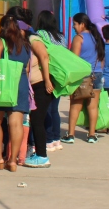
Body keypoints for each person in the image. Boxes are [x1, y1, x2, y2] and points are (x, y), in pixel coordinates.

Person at [0, 13, 32, 171]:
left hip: (2, 83)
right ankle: (13, 160)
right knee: (16, 123)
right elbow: (26, 67)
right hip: (20, 83)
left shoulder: (2, 42)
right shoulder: (26, 44)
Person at [62, 13, 106, 144]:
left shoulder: (79, 38)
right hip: (97, 74)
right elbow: (102, 59)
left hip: (82, 75)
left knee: (75, 105)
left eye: (75, 24)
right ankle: (92, 135)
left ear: (82, 24)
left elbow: (74, 60)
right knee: (93, 107)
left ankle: (71, 135)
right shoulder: (97, 37)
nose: (74, 27)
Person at [19, 7, 53, 169]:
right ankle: (39, 152)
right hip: (34, 86)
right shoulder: (26, 40)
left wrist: (47, 80)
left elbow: (44, 57)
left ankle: (42, 156)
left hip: (41, 86)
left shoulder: (34, 39)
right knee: (37, 120)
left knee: (37, 121)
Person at [36, 11, 65, 151]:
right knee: (54, 109)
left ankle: (48, 139)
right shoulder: (61, 36)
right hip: (59, 75)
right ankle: (56, 138)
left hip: (47, 73)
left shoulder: (40, 34)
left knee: (45, 110)